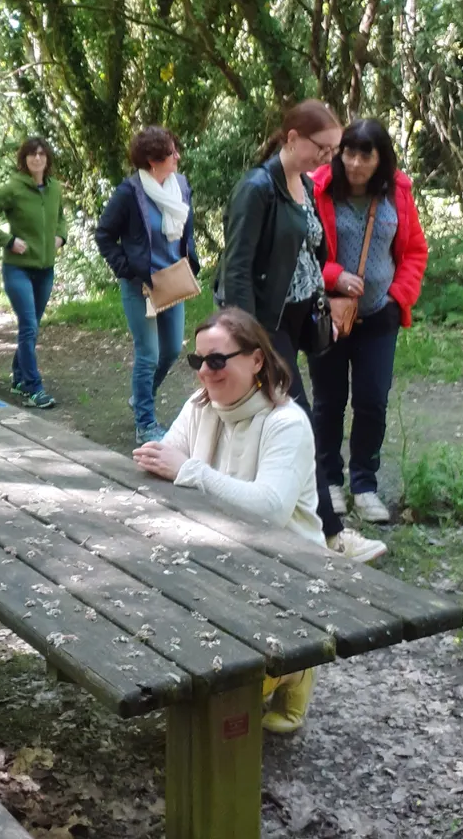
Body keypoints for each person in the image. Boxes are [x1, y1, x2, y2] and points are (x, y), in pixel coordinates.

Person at [132, 308, 321, 734]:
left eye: (217, 360)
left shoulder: (286, 423)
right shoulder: (201, 406)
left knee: (220, 695)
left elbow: (270, 509)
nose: (205, 372)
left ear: (256, 360)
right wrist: (157, 460)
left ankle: (294, 665)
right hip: (219, 553)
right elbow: (166, 459)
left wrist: (191, 471)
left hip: (290, 569)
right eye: (197, 361)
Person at [218, 100, 386, 564]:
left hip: (299, 320)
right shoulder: (257, 187)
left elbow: (311, 254)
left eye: (334, 149)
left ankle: (282, 520)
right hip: (265, 328)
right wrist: (244, 340)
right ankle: (332, 535)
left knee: (275, 422)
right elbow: (237, 269)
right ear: (291, 138)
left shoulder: (305, 187)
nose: (329, 158)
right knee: (302, 422)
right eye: (323, 148)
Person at [310, 119, 428, 523]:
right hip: (330, 313)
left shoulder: (398, 192)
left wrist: (398, 298)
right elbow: (303, 250)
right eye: (349, 152)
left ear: (381, 159)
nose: (356, 163)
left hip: (380, 316)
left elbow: (415, 250)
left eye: (366, 154)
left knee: (372, 401)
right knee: (328, 402)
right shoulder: (318, 188)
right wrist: (333, 275)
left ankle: (364, 485)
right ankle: (328, 482)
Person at [96, 126, 198, 443]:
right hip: (142, 285)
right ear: (153, 161)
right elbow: (104, 235)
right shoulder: (130, 193)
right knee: (149, 353)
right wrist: (126, 269)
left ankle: (141, 396)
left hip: (173, 281)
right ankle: (145, 423)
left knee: (169, 351)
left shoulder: (180, 185)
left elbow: (186, 228)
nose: (177, 156)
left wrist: (190, 256)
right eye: (171, 153)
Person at [0, 137, 67, 409]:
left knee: (32, 327)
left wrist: (60, 236)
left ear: (47, 158)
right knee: (28, 325)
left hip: (45, 269)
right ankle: (34, 388)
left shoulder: (55, 189)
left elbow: (61, 218)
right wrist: (8, 241)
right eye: (31, 155)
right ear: (24, 159)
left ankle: (18, 377)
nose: (37, 159)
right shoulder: (13, 189)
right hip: (18, 270)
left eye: (41, 154)